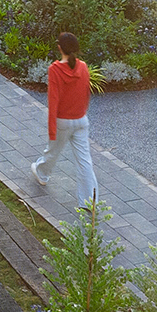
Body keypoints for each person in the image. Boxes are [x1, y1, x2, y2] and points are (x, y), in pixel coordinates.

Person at [32, 32, 99, 207]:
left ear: (59, 47)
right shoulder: (83, 67)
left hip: (63, 122)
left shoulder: (55, 70)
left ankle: (42, 173)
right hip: (81, 120)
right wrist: (82, 112)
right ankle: (89, 201)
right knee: (85, 161)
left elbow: (53, 101)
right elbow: (85, 94)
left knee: (52, 152)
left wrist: (52, 129)